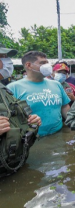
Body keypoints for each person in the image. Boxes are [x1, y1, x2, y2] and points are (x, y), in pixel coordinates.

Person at [7, 51, 70, 137]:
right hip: (31, 139)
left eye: (47, 62)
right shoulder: (13, 88)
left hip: (58, 135)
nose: (47, 66)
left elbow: (64, 106)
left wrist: (72, 124)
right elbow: (8, 117)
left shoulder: (56, 84)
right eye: (43, 63)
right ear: (29, 65)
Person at [0, 44, 41, 177]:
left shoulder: (5, 91)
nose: (8, 62)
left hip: (14, 168)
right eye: (2, 57)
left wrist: (32, 124)